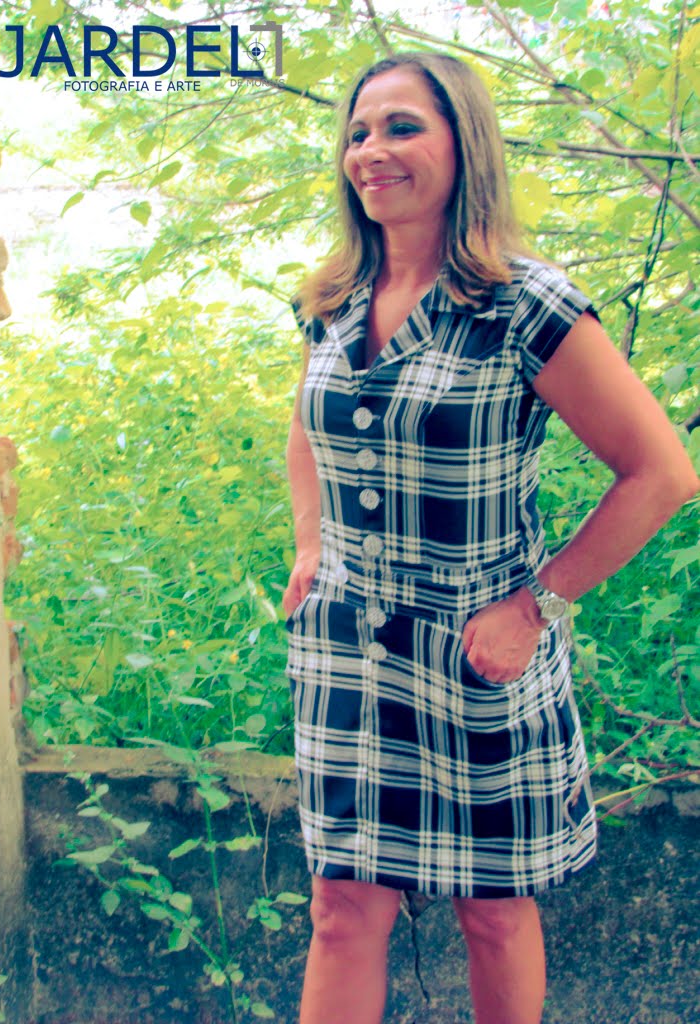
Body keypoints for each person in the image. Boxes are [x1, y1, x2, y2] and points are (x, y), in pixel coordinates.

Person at [282, 51, 698, 1024]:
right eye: (358, 132)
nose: (371, 150)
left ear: (463, 144)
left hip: (477, 650)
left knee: (494, 912)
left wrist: (536, 605)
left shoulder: (525, 305)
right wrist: (311, 544)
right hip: (347, 650)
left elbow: (663, 473)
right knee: (341, 910)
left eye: (402, 127)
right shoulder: (333, 299)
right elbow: (306, 428)